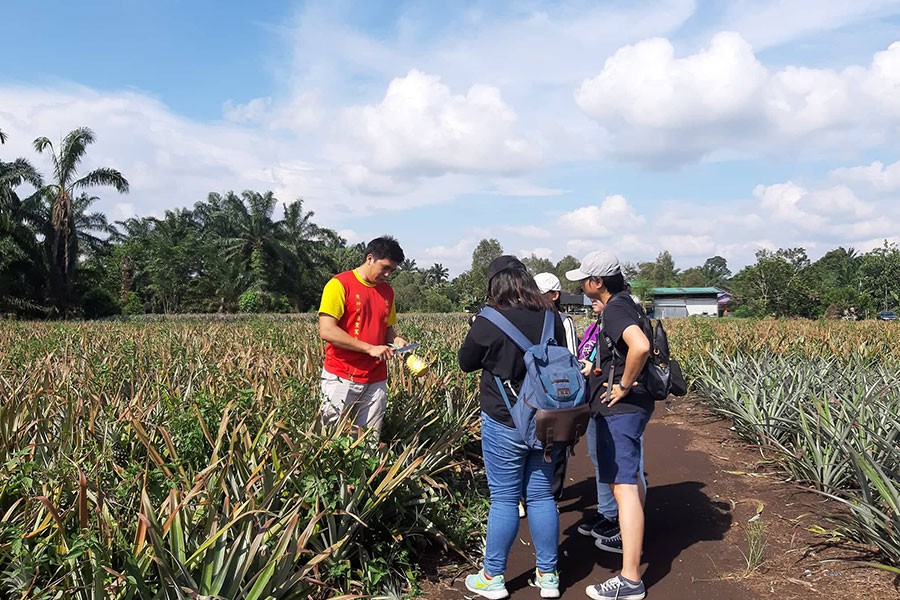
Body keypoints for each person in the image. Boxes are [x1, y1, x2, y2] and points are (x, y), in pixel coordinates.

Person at [459, 255, 567, 599]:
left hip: (504, 419)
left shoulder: (489, 319)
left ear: (495, 285)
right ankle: (548, 576)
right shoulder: (552, 316)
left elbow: (466, 362)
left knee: (505, 498)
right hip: (547, 420)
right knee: (540, 495)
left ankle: (493, 577)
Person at [565, 250, 651, 600]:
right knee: (633, 480)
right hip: (635, 406)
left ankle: (630, 579)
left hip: (622, 408)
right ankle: (629, 540)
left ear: (597, 282)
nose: (583, 286)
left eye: (585, 280)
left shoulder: (614, 308)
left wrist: (623, 384)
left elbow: (640, 346)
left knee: (623, 486)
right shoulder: (628, 302)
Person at [318, 235, 408, 438]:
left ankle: (367, 471)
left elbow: (387, 329)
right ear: (370, 258)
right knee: (330, 439)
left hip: (376, 378)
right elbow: (327, 330)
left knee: (368, 439)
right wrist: (369, 348)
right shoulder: (339, 284)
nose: (387, 274)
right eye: (384, 268)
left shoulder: (387, 292)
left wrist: (396, 340)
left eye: (391, 271)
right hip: (341, 375)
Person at [534, 272, 578, 503]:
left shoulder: (564, 321)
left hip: (558, 389)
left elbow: (572, 358)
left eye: (541, 295)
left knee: (558, 440)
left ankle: (552, 494)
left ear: (554, 295)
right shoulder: (533, 318)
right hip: (539, 388)